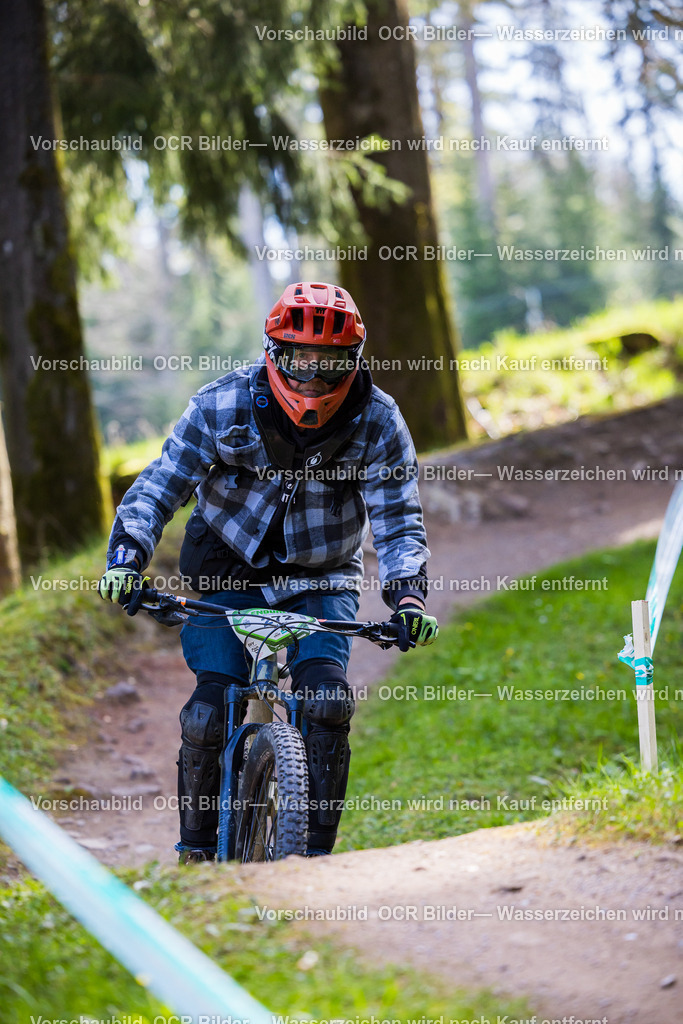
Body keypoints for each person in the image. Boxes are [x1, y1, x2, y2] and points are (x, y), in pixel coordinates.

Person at [99, 280, 438, 863]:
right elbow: (159, 486)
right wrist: (127, 557)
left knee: (327, 703)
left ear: (353, 363)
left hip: (322, 574)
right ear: (271, 355)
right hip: (222, 570)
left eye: (329, 365)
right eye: (297, 361)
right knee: (209, 709)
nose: (312, 380)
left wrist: (408, 599)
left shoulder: (380, 422)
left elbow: (399, 519)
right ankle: (197, 857)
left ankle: (316, 864)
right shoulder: (219, 405)